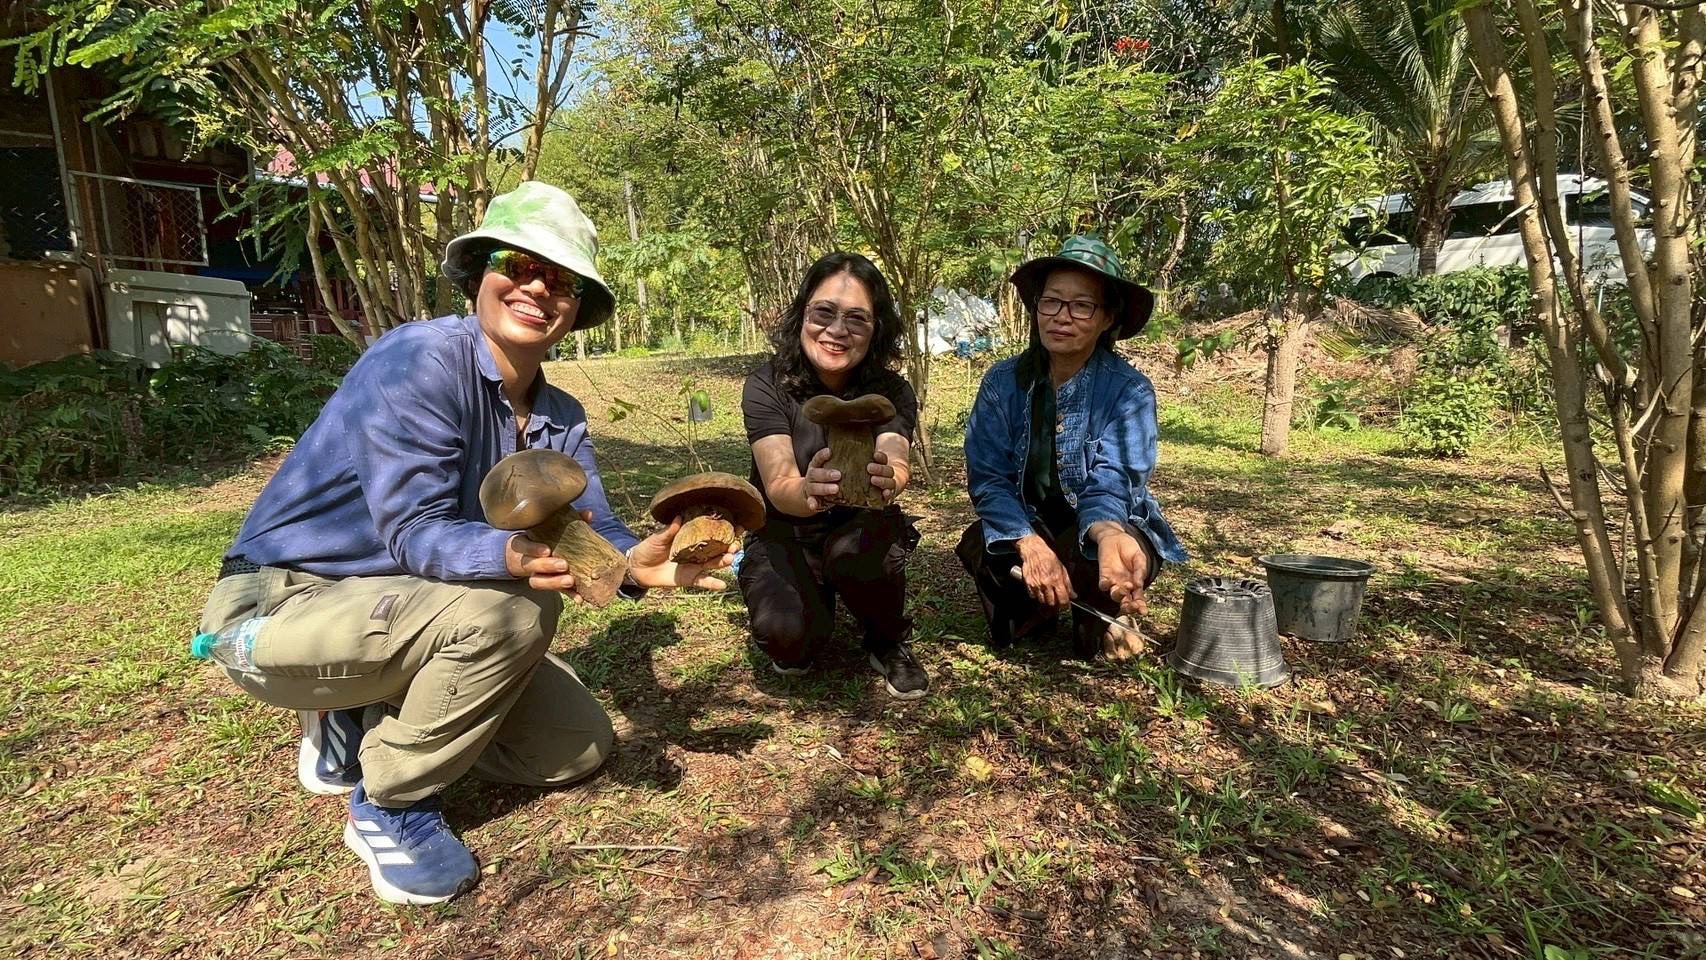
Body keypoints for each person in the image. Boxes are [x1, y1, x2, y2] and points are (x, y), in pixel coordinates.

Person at [197, 182, 732, 905]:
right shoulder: (419, 359)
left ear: (576, 308)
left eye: (563, 280)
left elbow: (591, 530)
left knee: (572, 747)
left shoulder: (559, 412)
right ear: (482, 270)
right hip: (286, 602)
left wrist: (635, 565)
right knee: (512, 611)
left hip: (407, 614)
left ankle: (358, 710)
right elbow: (414, 533)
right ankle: (388, 802)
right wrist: (511, 558)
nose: (539, 287)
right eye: (519, 263)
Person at [957, 235, 1187, 659]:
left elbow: (1113, 481)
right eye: (1052, 302)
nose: (1062, 317)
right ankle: (1039, 606)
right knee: (988, 548)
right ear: (1036, 307)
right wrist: (1027, 542)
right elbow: (989, 479)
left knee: (1105, 570)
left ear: (1107, 319)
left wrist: (1110, 534)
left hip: (1093, 529)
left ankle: (1106, 612)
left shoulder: (1129, 391)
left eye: (1082, 306)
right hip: (1031, 523)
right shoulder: (1001, 383)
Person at [737, 252, 929, 699]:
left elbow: (895, 456)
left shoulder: (892, 391)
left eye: (857, 318)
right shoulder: (767, 385)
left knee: (862, 550)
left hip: (859, 528)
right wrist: (805, 490)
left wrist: (891, 478)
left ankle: (886, 639)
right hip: (785, 528)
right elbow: (779, 482)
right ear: (803, 313)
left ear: (876, 328)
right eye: (824, 312)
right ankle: (803, 592)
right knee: (790, 644)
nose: (837, 330)